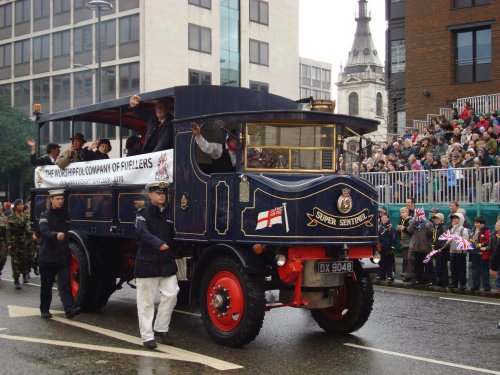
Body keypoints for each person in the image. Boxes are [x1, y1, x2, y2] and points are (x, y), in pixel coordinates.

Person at [135, 181, 178, 349]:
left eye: (164, 193)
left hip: (166, 262)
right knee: (146, 302)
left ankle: (161, 328)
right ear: (150, 195)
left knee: (172, 293)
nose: (162, 195)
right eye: (158, 193)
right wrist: (158, 243)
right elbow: (142, 231)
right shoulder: (143, 213)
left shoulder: (169, 213)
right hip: (148, 262)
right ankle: (147, 336)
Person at [38, 189, 82, 319]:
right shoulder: (45, 216)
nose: (60, 201)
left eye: (61, 199)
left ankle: (70, 309)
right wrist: (55, 235)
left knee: (65, 284)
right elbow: (44, 232)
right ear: (51, 200)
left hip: (62, 255)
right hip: (47, 256)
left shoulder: (65, 216)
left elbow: (68, 231)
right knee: (46, 285)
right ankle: (44, 309)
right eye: (57, 199)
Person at [6, 199, 32, 289]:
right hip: (14, 241)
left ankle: (24, 275)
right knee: (15, 260)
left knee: (24, 258)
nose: (21, 206)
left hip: (23, 240)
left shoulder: (25, 216)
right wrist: (8, 243)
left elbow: (28, 228)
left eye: (22, 204)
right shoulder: (10, 217)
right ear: (16, 206)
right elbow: (8, 231)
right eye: (19, 205)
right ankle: (16, 279)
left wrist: (32, 235)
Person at [407, 209, 434, 285]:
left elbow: (430, 235)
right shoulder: (413, 222)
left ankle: (427, 280)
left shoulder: (428, 223)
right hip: (416, 247)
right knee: (417, 265)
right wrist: (414, 220)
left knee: (427, 264)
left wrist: (428, 227)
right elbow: (409, 230)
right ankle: (417, 279)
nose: (419, 217)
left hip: (425, 247)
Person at [448, 212, 469, 290]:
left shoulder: (463, 230)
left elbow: (465, 241)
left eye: (456, 218)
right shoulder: (452, 229)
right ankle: (454, 283)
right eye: (453, 218)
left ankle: (462, 284)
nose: (454, 220)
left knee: (461, 269)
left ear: (460, 220)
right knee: (453, 269)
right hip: (452, 251)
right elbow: (448, 240)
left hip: (460, 253)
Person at [469, 216, 491, 291]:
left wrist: (479, 245)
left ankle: (486, 287)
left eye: (477, 223)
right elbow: (471, 239)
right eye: (475, 223)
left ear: (482, 224)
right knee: (475, 270)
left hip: (483, 253)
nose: (476, 224)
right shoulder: (474, 230)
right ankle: (475, 285)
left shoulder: (486, 231)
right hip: (475, 253)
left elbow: (488, 242)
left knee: (484, 271)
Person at [431, 213, 448, 287]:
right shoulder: (436, 227)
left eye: (438, 219)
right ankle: (439, 280)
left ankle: (444, 282)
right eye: (435, 219)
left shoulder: (443, 227)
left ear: (441, 220)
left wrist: (442, 247)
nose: (436, 220)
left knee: (442, 266)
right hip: (436, 248)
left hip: (441, 249)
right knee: (437, 265)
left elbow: (445, 238)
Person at [376, 213, 395, 281]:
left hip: (388, 248)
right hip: (380, 247)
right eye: (383, 218)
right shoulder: (379, 226)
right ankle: (381, 276)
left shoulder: (390, 227)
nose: (384, 219)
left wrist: (389, 246)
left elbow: (393, 239)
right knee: (380, 262)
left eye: (386, 218)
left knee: (388, 263)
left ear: (388, 219)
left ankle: (389, 276)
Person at [397, 207, 412, 280]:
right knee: (405, 259)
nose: (401, 214)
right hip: (404, 243)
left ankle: (410, 276)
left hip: (409, 243)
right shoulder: (401, 221)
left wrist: (404, 228)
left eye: (403, 212)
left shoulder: (410, 220)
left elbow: (411, 231)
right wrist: (399, 230)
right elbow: (401, 232)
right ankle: (406, 275)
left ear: (407, 213)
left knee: (409, 260)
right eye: (401, 212)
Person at [488, 221, 500, 293]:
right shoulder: (493, 234)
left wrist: (493, 268)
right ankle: (499, 287)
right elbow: (491, 245)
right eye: (496, 224)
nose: (496, 226)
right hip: (495, 254)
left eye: (498, 225)